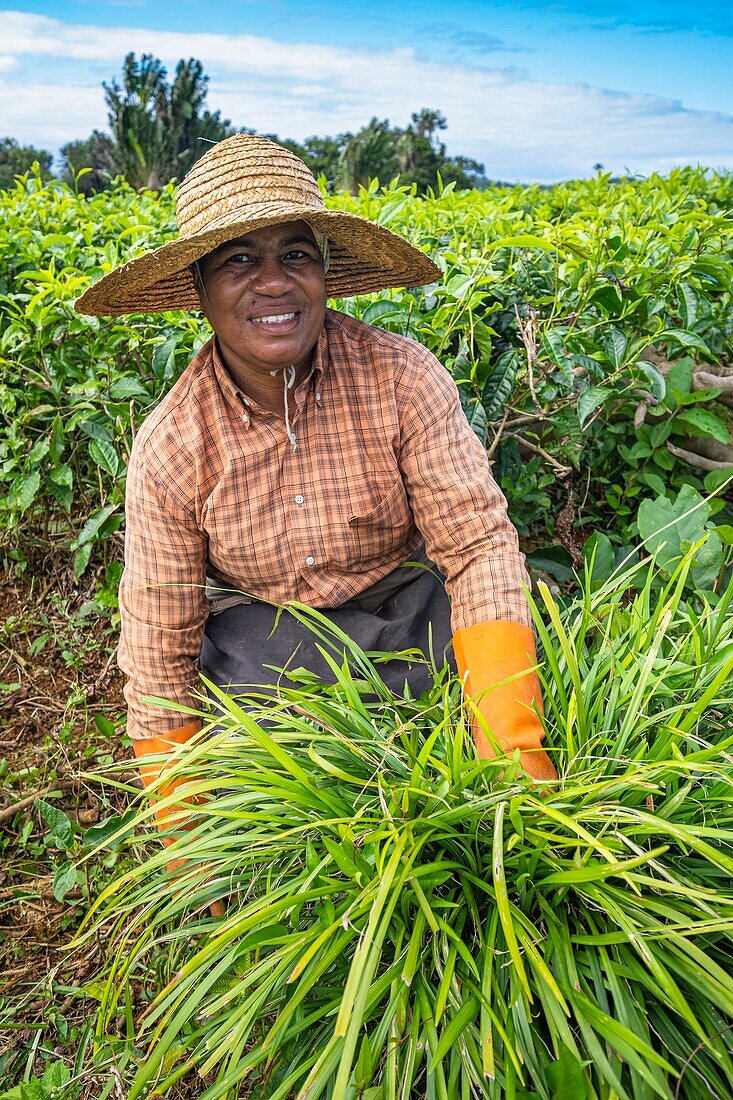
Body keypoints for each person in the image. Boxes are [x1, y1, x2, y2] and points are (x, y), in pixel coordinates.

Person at [76, 133, 555, 844]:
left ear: (325, 272)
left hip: (402, 607)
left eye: (294, 255)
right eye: (239, 261)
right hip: (268, 640)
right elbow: (158, 636)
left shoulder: (401, 377)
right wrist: (181, 825)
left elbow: (477, 543)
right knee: (270, 797)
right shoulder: (173, 444)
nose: (273, 282)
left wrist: (510, 737)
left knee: (492, 684)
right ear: (199, 290)